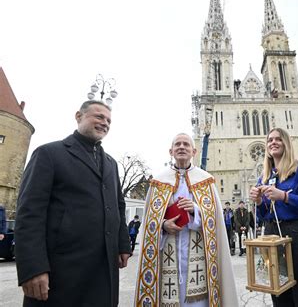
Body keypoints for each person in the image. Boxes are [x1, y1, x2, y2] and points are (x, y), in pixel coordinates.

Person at [15, 100, 131, 307]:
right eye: (99, 116)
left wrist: (123, 245)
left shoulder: (111, 164)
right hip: (62, 271)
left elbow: (118, 206)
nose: (105, 123)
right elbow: (29, 213)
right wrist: (33, 268)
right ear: (79, 116)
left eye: (108, 121)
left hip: (102, 271)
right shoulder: (49, 154)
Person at [134, 133, 238, 306]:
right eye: (178, 144)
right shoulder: (158, 182)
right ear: (171, 151)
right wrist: (163, 225)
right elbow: (149, 223)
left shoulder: (206, 180)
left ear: (194, 151)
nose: (181, 147)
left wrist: (195, 211)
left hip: (199, 259)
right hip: (167, 253)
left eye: (186, 144)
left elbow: (215, 220)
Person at [249, 127, 298, 307]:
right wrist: (258, 202)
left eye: (278, 139)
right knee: (279, 295)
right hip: (272, 234)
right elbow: (264, 215)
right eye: (270, 140)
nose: (273, 142)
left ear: (286, 143)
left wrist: (285, 196)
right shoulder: (265, 177)